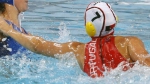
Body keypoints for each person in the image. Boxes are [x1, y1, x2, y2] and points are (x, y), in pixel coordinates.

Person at [0, 1, 150, 78]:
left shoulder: (79, 50)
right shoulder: (130, 42)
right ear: (114, 20)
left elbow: (39, 45)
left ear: (89, 26)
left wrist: (10, 31)